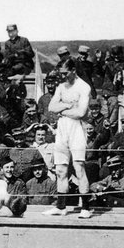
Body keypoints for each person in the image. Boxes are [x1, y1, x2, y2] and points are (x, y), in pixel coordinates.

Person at [42, 58, 92, 218]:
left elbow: (80, 113)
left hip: (77, 128)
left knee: (79, 167)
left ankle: (85, 208)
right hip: (62, 128)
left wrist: (60, 109)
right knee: (60, 170)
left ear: (73, 71)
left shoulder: (84, 87)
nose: (63, 77)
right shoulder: (61, 86)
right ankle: (61, 206)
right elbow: (51, 107)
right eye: (61, 74)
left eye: (65, 73)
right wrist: (68, 106)